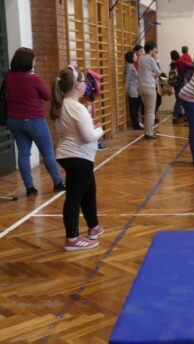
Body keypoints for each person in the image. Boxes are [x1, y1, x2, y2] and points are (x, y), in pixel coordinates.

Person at [50, 65, 105, 251]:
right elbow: (88, 136)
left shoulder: (62, 104)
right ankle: (72, 238)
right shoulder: (76, 108)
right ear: (76, 85)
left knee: (89, 191)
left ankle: (94, 227)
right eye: (82, 80)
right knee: (74, 196)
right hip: (77, 157)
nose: (86, 84)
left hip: (75, 157)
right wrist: (99, 130)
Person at [4, 47, 65, 196]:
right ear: (28, 62)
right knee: (48, 153)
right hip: (34, 120)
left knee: (24, 153)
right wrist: (56, 84)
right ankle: (58, 183)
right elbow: (48, 96)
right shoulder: (33, 79)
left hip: (14, 120)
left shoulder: (8, 76)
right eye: (33, 59)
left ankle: (30, 188)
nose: (34, 61)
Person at [137, 41, 161, 139]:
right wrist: (158, 61)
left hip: (141, 87)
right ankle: (149, 133)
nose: (156, 50)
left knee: (147, 110)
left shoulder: (141, 58)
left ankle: (148, 131)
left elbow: (146, 70)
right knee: (150, 111)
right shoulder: (151, 59)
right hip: (149, 87)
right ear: (151, 49)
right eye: (155, 48)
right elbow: (158, 72)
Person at [169, 50, 193, 123]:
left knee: (178, 100)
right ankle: (178, 116)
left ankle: (177, 115)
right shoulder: (181, 62)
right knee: (182, 100)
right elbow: (192, 65)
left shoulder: (172, 64)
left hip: (175, 84)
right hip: (182, 83)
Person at [124, 51, 142, 130]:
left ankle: (137, 123)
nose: (136, 57)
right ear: (131, 57)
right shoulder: (129, 66)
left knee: (136, 107)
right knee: (133, 108)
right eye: (135, 56)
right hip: (132, 89)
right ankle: (135, 125)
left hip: (136, 89)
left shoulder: (132, 66)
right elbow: (127, 79)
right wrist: (126, 89)